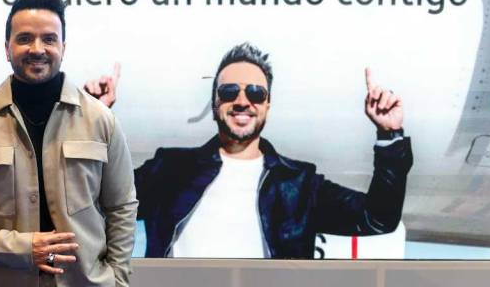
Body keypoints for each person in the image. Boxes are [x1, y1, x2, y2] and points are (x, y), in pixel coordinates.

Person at [87, 42, 412, 259]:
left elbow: (378, 220)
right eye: (229, 91)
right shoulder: (170, 170)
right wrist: (92, 121)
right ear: (215, 103)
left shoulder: (299, 184)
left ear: (267, 104)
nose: (243, 100)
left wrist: (390, 134)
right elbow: (97, 204)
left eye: (256, 93)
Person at [0, 0, 137, 287]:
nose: (37, 48)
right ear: (7, 48)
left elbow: (122, 207)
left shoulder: (100, 120)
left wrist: (117, 280)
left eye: (49, 39)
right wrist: (21, 249)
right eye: (25, 38)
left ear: (63, 47)